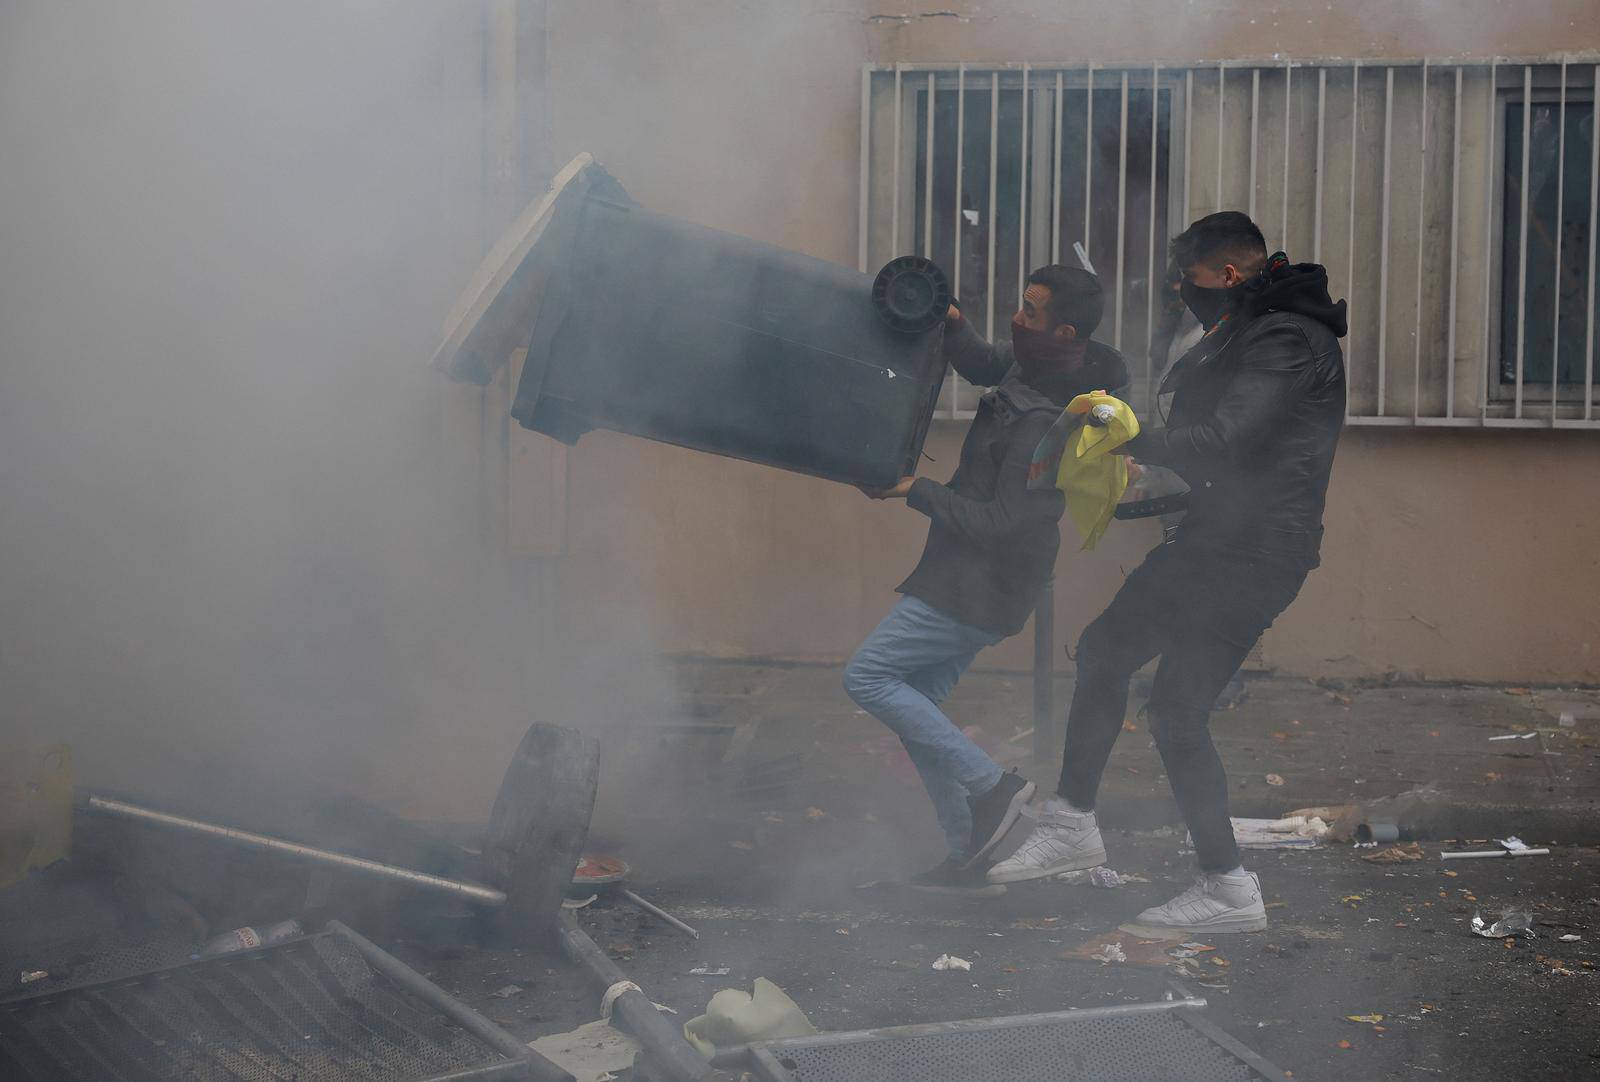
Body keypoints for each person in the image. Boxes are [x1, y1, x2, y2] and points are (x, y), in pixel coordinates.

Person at [988, 212, 1347, 936]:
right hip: (1234, 542)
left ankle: (1086, 828)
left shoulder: (1283, 337)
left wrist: (1123, 429)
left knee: (1117, 660)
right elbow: (1245, 456)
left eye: (1190, 277)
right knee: (1159, 695)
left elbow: (1223, 440)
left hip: (1245, 553)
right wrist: (1150, 472)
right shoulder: (1264, 329)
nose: (1182, 290)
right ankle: (1221, 885)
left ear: (1231, 275)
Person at [847, 265, 1129, 896]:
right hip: (970, 576)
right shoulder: (1035, 361)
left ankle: (995, 787)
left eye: (1029, 311)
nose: (1017, 319)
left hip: (981, 583)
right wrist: (950, 323)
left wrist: (911, 489)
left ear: (1064, 328)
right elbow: (980, 360)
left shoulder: (1044, 420)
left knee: (867, 676)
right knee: (916, 708)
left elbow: (1006, 522)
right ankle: (969, 856)